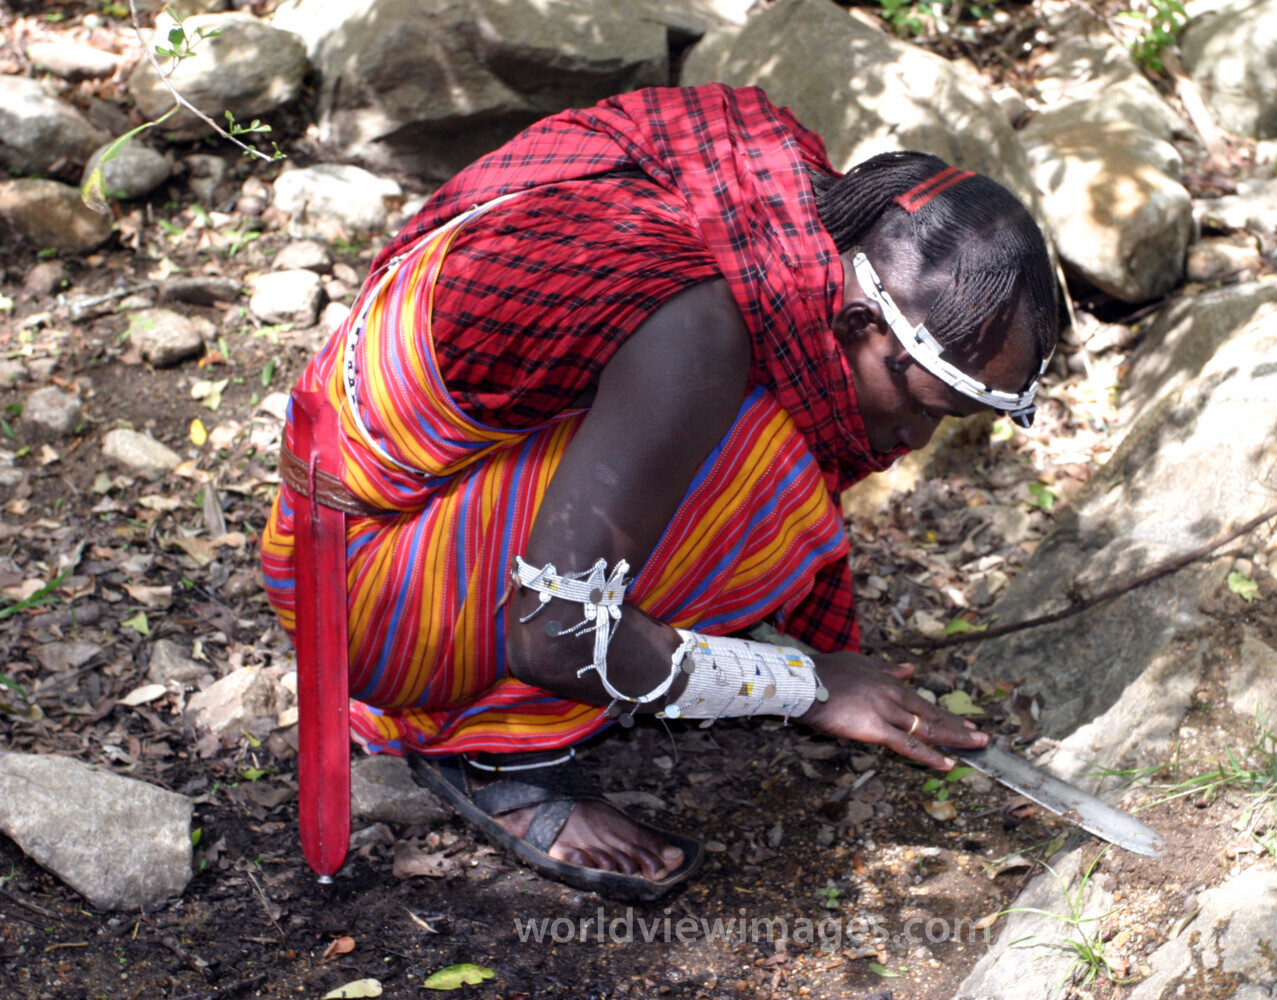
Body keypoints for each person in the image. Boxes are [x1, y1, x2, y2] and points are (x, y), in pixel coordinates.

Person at [261, 83, 1059, 901]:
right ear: (860, 327)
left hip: (361, 503)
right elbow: (556, 637)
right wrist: (809, 685)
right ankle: (490, 747)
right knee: (771, 467)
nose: (913, 444)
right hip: (353, 592)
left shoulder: (770, 201)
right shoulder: (700, 337)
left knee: (748, 433)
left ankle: (561, 645)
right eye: (927, 410)